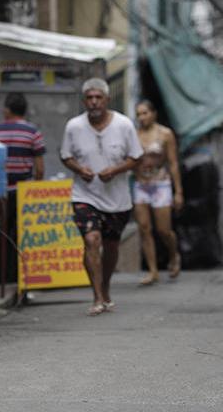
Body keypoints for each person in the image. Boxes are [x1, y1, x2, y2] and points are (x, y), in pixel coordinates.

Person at [60, 78, 143, 316]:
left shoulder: (124, 125)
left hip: (117, 199)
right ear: (84, 100)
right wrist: (79, 170)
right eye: (89, 97)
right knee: (91, 240)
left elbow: (136, 157)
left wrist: (115, 170)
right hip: (85, 195)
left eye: (98, 97)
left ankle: (105, 286)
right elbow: (66, 156)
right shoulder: (73, 126)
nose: (94, 102)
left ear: (107, 99)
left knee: (111, 246)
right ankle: (96, 296)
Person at [0, 93, 46, 282]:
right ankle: (19, 278)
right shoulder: (32, 132)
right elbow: (39, 169)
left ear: (7, 109)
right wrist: (36, 191)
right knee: (21, 235)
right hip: (24, 192)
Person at [133, 100, 184, 285]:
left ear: (153, 114)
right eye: (138, 114)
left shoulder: (165, 134)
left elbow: (173, 163)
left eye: (145, 113)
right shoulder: (134, 134)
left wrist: (178, 191)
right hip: (140, 184)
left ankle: (173, 254)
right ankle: (153, 271)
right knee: (144, 228)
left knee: (163, 230)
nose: (142, 117)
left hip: (161, 184)